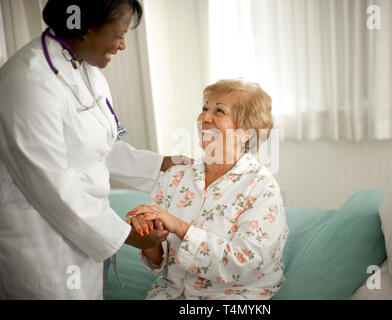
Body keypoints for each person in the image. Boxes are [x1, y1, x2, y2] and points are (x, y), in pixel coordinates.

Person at [0, 0, 186, 299]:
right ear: (85, 28)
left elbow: (97, 147)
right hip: (43, 248)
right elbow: (52, 187)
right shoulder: (28, 82)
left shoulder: (86, 69)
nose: (123, 45)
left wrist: (163, 164)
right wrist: (127, 235)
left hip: (82, 235)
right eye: (117, 34)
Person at [127, 79, 289, 300]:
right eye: (204, 109)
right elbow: (159, 261)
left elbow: (245, 264)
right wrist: (149, 240)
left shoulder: (262, 187)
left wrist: (178, 226)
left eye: (219, 111)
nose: (204, 118)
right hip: (169, 294)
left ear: (245, 133)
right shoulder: (174, 177)